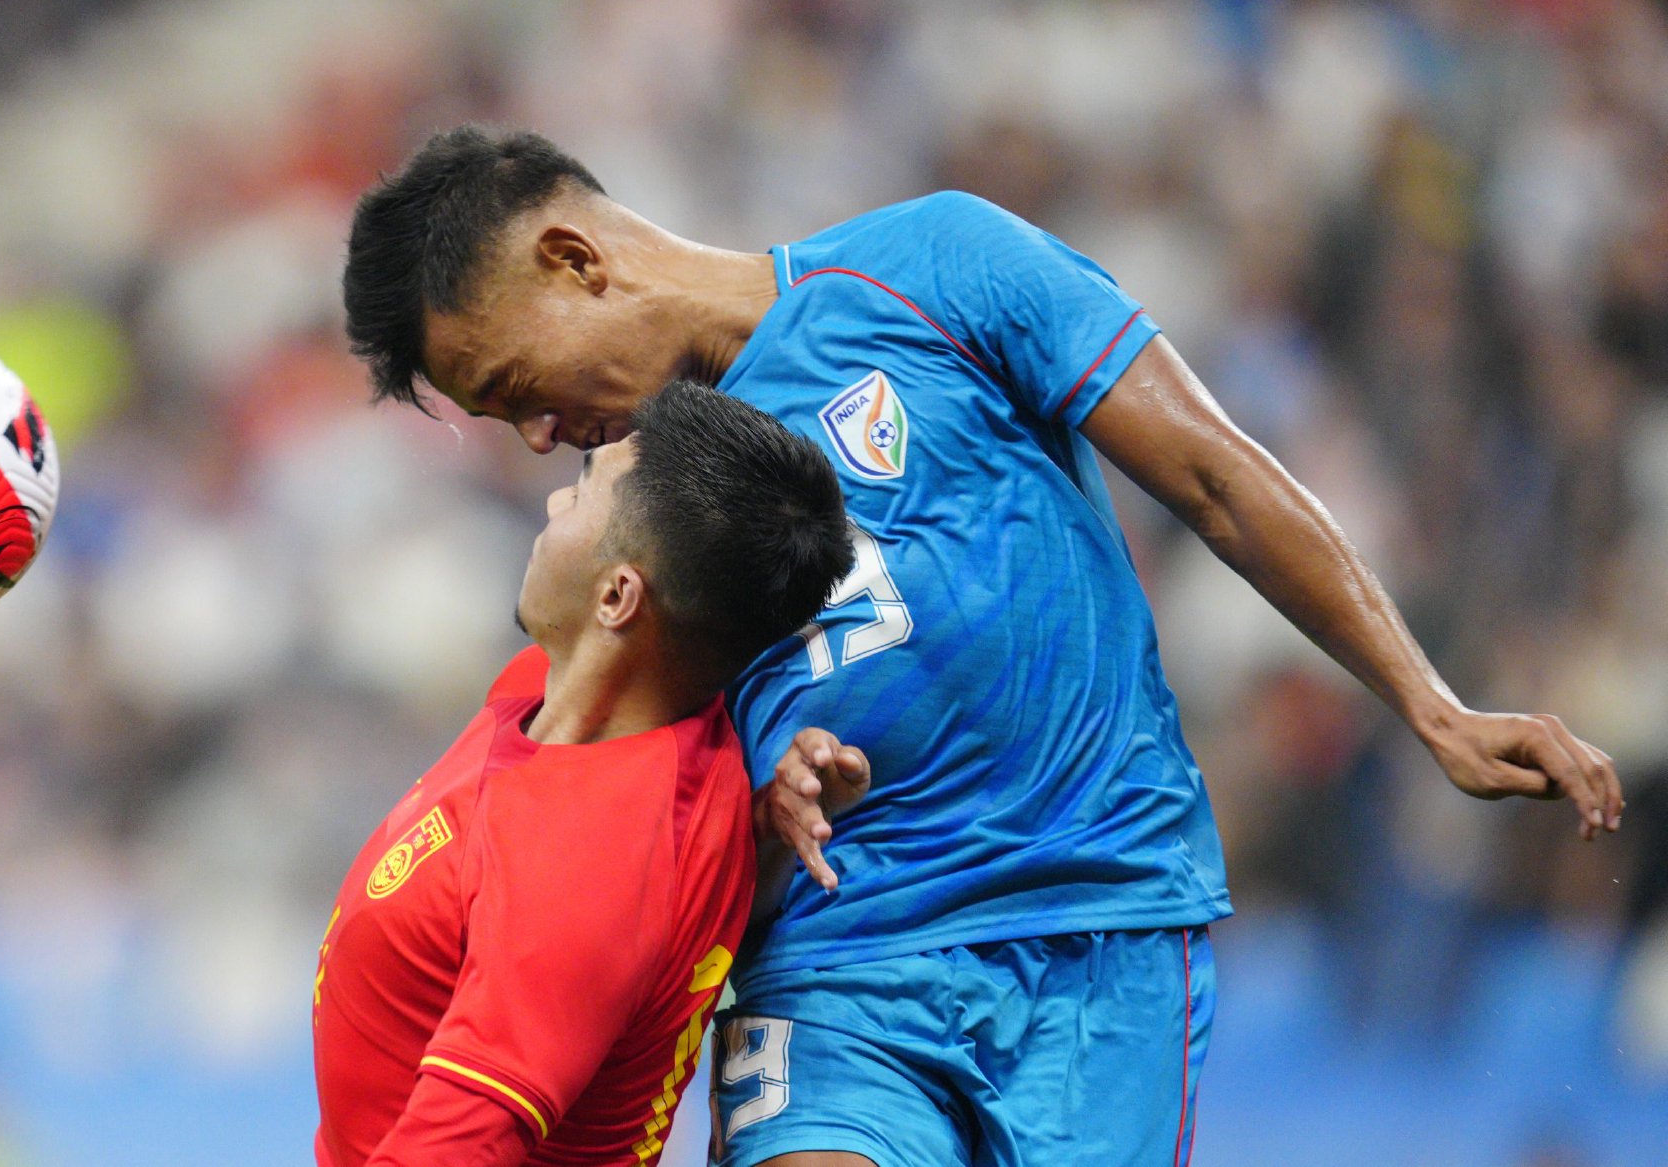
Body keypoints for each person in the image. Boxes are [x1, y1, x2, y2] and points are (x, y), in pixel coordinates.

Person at [340, 126, 1626, 1167]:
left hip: (1098, 917)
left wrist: (1429, 703)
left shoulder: (935, 264)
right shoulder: (632, 504)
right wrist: (747, 793)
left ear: (573, 258)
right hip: (836, 958)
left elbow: (1216, 478)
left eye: (512, 386)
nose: (534, 437)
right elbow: (640, 755)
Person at [311, 379, 856, 1167]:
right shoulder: (576, 701)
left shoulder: (582, 869)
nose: (552, 505)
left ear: (617, 595)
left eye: (582, 491)